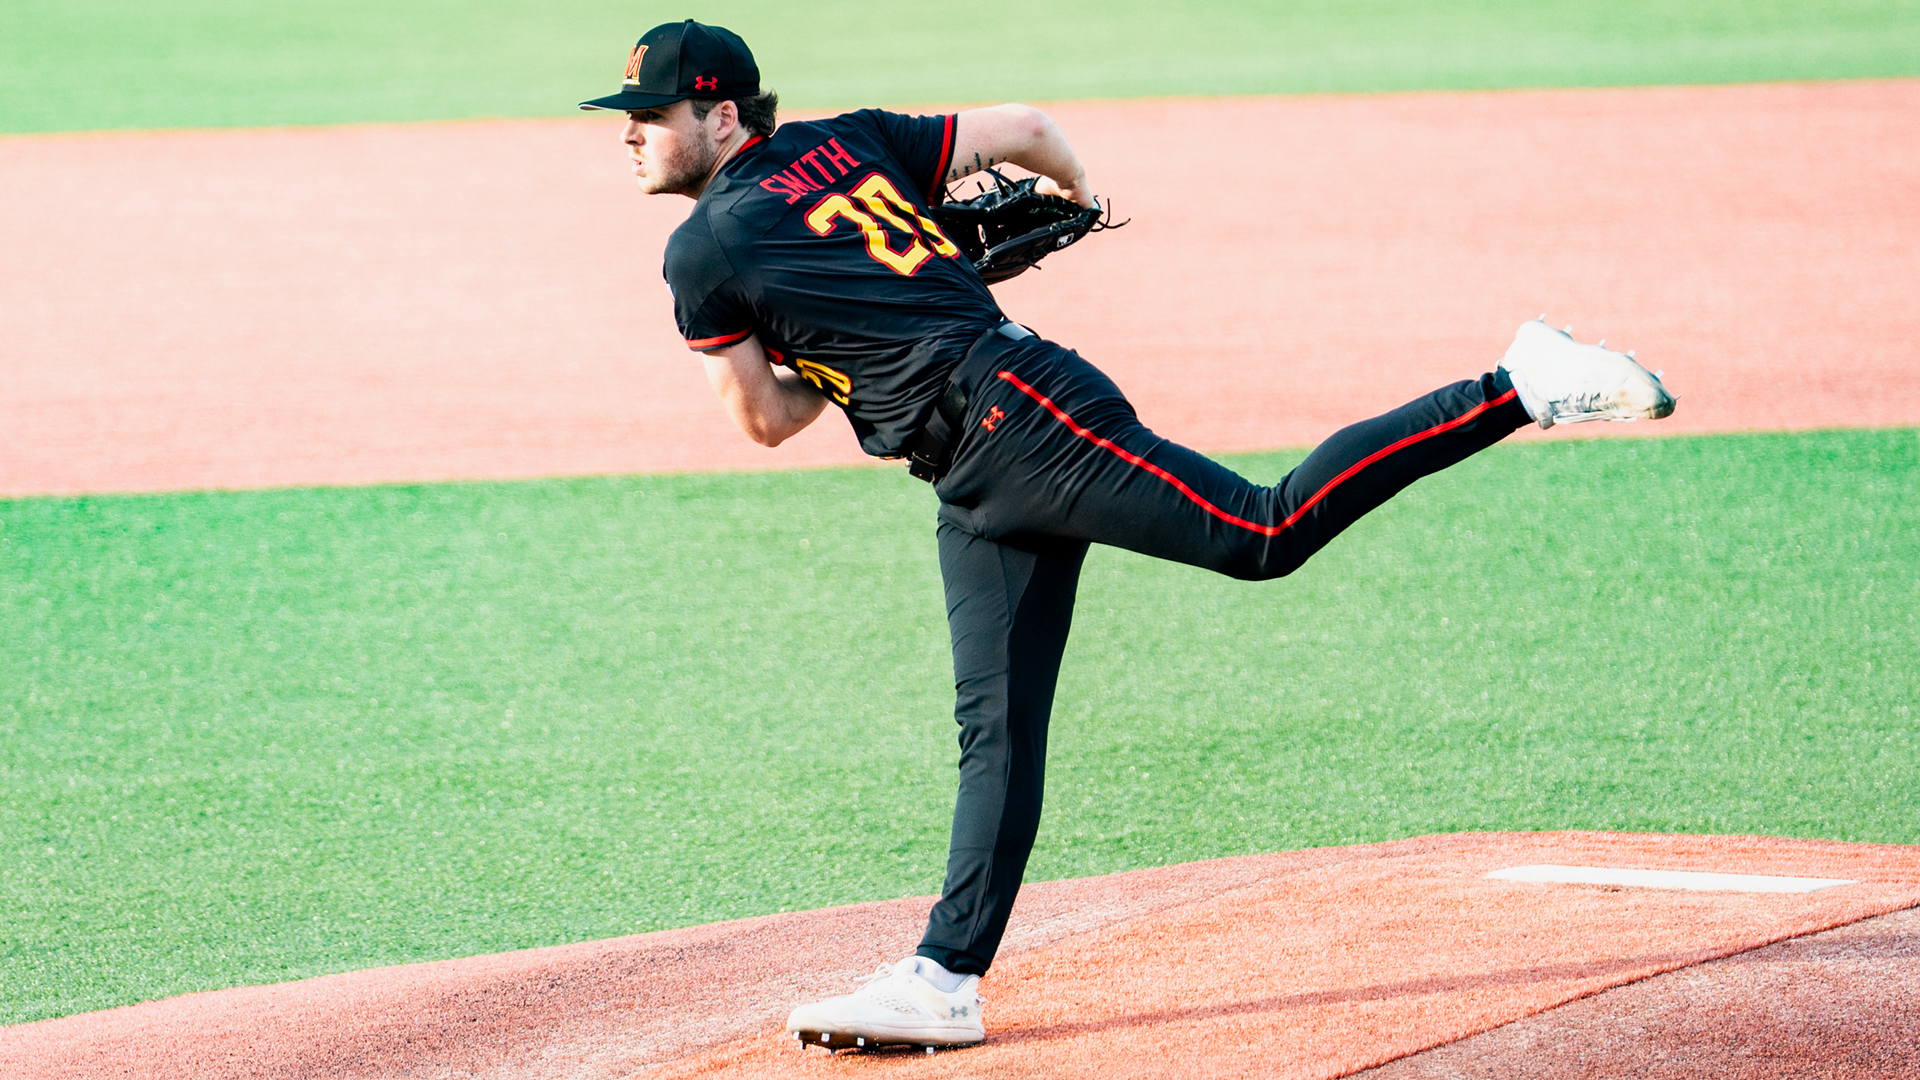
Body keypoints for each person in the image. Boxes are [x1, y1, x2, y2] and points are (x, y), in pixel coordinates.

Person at [581, 19, 1676, 1053]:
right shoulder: (851, 143)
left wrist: (830, 336)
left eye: (654, 112)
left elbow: (767, 419)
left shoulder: (702, 252)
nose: (632, 131)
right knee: (996, 732)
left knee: (1265, 528)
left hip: (1026, 421)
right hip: (975, 468)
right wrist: (1071, 199)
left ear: (723, 120)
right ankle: (944, 981)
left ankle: (1518, 381)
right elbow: (1026, 131)